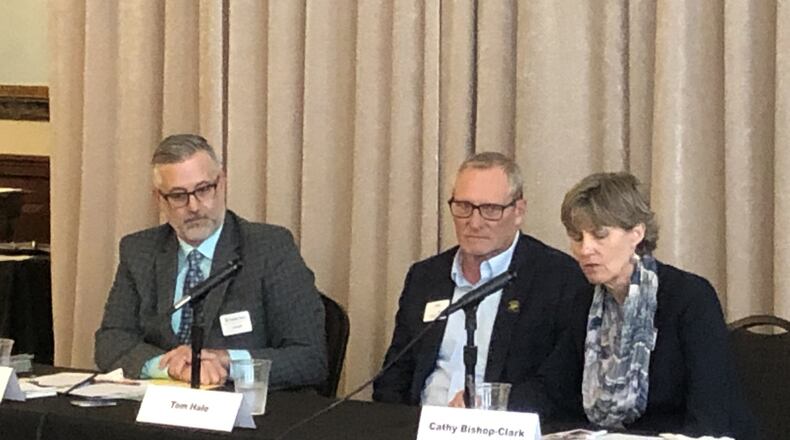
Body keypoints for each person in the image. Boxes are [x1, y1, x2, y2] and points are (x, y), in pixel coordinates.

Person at [510, 172, 755, 438]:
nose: (585, 249)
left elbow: (710, 415)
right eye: (577, 237)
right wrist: (486, 409)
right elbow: (551, 389)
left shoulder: (689, 297)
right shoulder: (584, 303)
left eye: (599, 235)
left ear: (636, 233)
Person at [95, 134, 327, 388]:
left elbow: (310, 358)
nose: (194, 206)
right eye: (178, 195)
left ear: (222, 183)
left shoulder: (269, 248)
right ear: (159, 199)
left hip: (244, 414)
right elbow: (111, 340)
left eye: (204, 189)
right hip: (159, 410)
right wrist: (168, 366)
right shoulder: (139, 250)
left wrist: (225, 362)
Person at [372, 152, 588, 406]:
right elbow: (394, 376)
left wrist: (485, 410)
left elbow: (558, 386)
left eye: (490, 210)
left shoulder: (558, 279)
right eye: (464, 207)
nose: (474, 223)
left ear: (518, 211)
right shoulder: (426, 277)